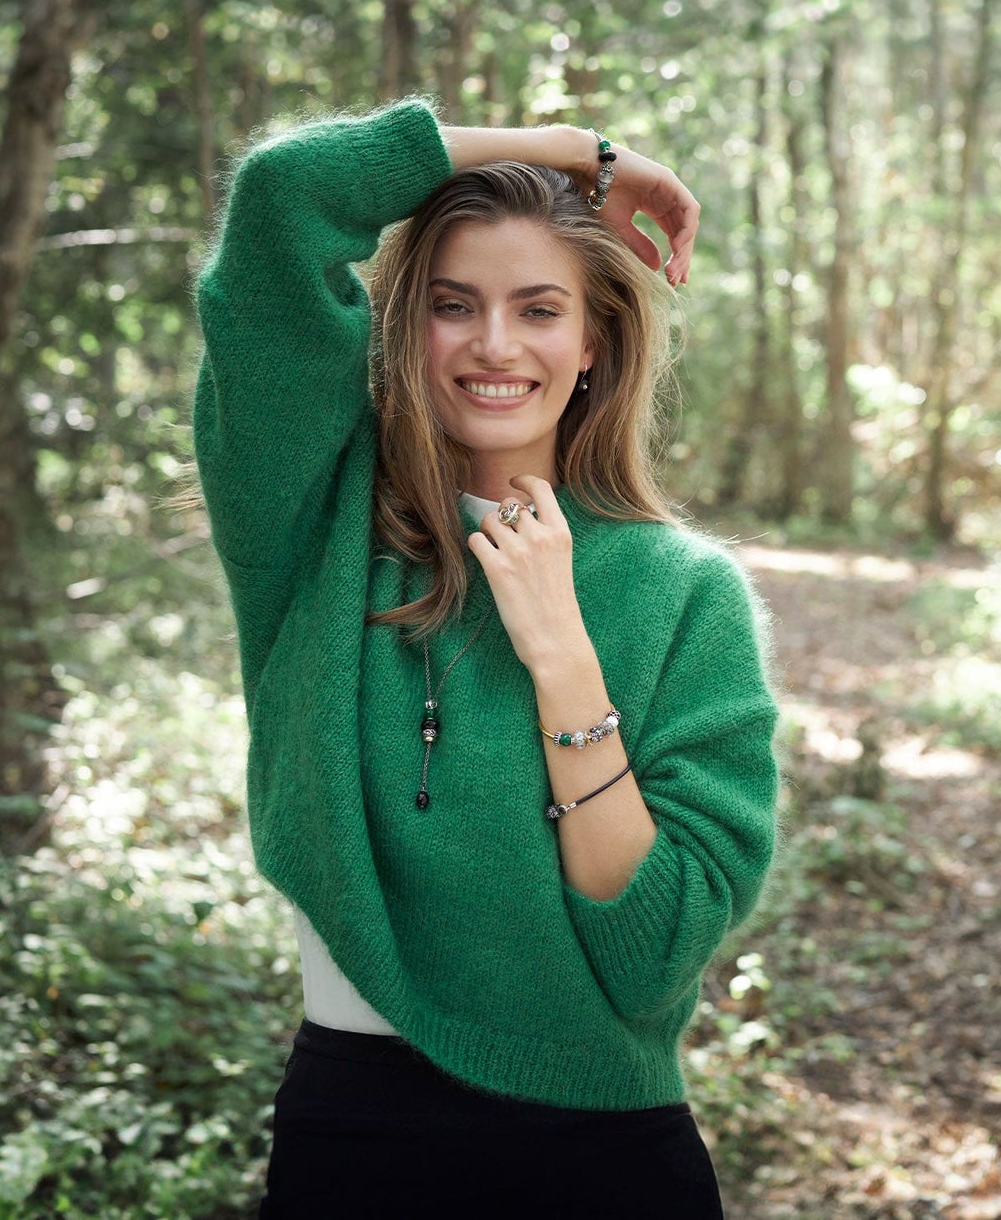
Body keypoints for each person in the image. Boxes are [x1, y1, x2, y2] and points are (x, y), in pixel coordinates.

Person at [185, 96, 784, 1217]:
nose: (496, 346)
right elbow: (282, 199)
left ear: (595, 341)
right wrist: (565, 152)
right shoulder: (311, 534)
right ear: (405, 329)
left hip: (602, 1155)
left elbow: (656, 947)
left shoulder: (687, 593)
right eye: (454, 306)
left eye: (540, 308)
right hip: (353, 1138)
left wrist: (563, 654)